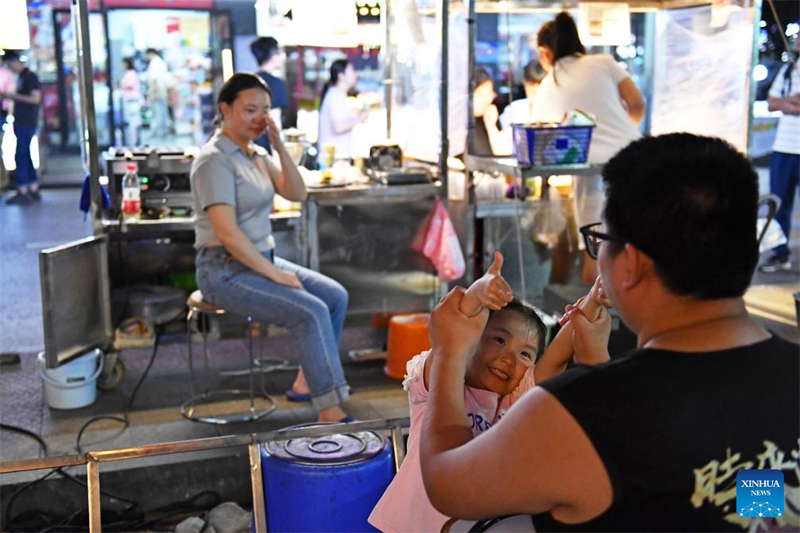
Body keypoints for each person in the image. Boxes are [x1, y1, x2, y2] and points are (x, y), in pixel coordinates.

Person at [419, 133, 799, 532]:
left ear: (631, 263)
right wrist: (597, 365)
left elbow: (449, 485)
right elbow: (744, 495)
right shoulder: (788, 381)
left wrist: (450, 353)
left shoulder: (577, 411)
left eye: (601, 240)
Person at [369, 252, 610, 533]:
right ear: (470, 338)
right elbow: (452, 334)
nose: (509, 359)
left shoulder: (516, 400)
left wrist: (595, 297)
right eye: (499, 340)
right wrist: (478, 294)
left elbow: (559, 353)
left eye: (525, 354)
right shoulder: (439, 384)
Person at [191, 73, 352, 424]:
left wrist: (279, 145)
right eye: (250, 110)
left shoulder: (256, 154)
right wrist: (276, 274)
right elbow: (227, 233)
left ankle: (307, 383)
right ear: (225, 109)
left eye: (265, 110)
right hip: (222, 269)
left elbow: (297, 192)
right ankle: (330, 410)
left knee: (335, 297)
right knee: (311, 311)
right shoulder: (214, 159)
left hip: (258, 261)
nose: (259, 118)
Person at [533, 12, 645, 283]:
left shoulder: (550, 83)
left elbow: (544, 135)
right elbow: (637, 104)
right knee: (637, 245)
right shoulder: (604, 62)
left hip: (591, 172)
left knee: (595, 250)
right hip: (637, 160)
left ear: (544, 52)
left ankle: (598, 319)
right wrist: (618, 133)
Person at [759, 55, 800, 273]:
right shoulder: (787, 69)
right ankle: (780, 252)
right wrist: (788, 103)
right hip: (784, 147)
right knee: (778, 203)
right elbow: (772, 102)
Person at [1, 51, 41, 205]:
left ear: (15, 61)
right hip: (22, 121)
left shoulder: (30, 77)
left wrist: (13, 96)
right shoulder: (22, 77)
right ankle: (32, 186)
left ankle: (22, 189)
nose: (9, 67)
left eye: (9, 64)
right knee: (26, 155)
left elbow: (35, 98)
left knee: (20, 155)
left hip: (27, 121)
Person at [317, 59, 367, 161]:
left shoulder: (337, 94)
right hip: (334, 161)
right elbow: (338, 127)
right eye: (352, 71)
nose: (355, 74)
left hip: (336, 160)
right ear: (341, 76)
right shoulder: (336, 96)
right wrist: (361, 117)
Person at [250, 36, 289, 154]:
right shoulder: (276, 84)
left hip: (248, 145)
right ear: (274, 55)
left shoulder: (249, 81)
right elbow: (274, 122)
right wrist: (278, 154)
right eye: (280, 52)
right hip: (265, 149)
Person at [499, 60, 547, 130]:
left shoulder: (557, 112)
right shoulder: (514, 110)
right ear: (525, 84)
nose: (537, 97)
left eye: (542, 92)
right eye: (533, 92)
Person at [472, 68, 502, 156]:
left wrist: (491, 127)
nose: (486, 100)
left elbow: (501, 155)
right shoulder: (457, 125)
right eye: (479, 95)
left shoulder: (491, 118)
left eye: (489, 94)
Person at [145, 48, 170, 139]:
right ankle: (163, 131)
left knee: (157, 113)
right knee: (162, 112)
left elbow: (154, 80)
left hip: (157, 91)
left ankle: (157, 132)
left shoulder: (154, 63)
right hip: (162, 90)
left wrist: (152, 94)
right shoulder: (161, 62)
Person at [119, 57, 142, 146]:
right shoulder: (130, 73)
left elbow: (129, 85)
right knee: (133, 123)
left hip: (133, 101)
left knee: (134, 123)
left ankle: (134, 142)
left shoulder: (131, 73)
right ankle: (133, 141)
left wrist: (122, 84)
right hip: (130, 100)